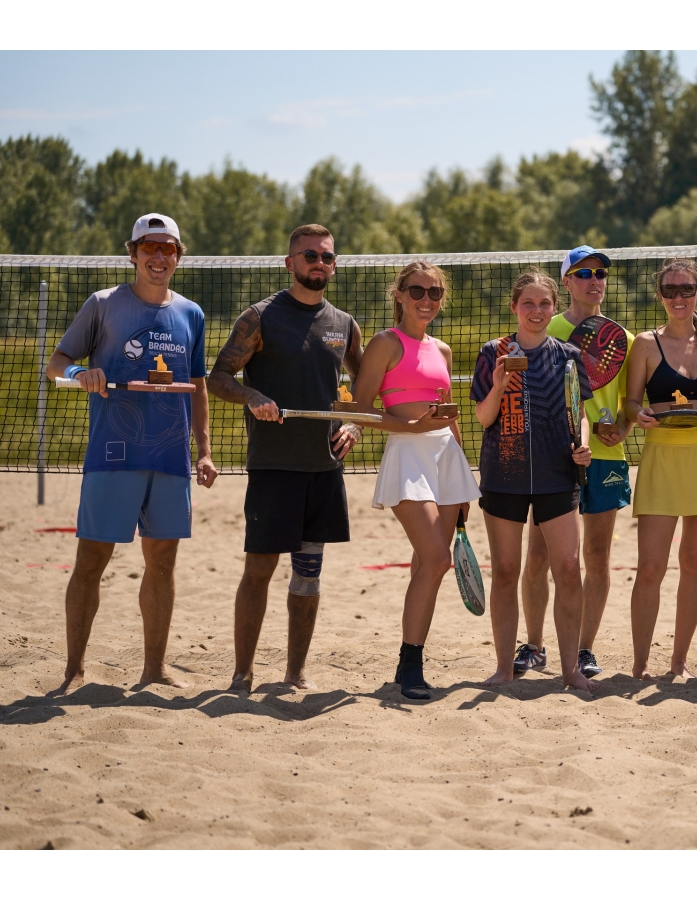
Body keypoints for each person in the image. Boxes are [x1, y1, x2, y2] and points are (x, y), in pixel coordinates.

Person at [45, 213, 217, 695]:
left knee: (162, 563)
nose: (159, 256)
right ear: (133, 253)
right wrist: (79, 373)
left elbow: (198, 387)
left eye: (169, 248)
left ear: (178, 256)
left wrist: (204, 450)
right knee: (91, 561)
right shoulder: (103, 304)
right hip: (113, 453)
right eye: (150, 247)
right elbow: (55, 363)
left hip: (170, 458)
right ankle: (74, 670)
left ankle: (154, 669)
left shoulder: (191, 313)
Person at [207, 224, 363, 693]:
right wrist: (252, 394)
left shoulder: (344, 324)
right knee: (259, 571)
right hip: (274, 467)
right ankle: (242, 674)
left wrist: (355, 424)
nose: (319, 263)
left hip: (324, 469)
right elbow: (218, 376)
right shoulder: (260, 317)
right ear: (289, 262)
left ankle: (295, 674)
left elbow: (367, 386)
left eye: (327, 257)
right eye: (310, 255)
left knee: (308, 576)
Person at [354, 262, 480, 701]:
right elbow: (360, 409)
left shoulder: (442, 350)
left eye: (434, 293)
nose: (426, 300)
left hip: (447, 458)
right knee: (437, 558)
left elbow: (448, 413)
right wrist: (409, 427)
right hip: (407, 454)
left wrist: (463, 478)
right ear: (400, 295)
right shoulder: (385, 343)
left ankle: (410, 664)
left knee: (428, 566)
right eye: (417, 291)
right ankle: (410, 666)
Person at [470, 269, 596, 694]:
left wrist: (584, 443)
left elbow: (580, 412)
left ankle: (570, 670)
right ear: (514, 307)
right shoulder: (494, 352)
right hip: (503, 475)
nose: (536, 311)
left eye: (544, 303)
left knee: (568, 570)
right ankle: (504, 668)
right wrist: (498, 386)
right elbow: (483, 417)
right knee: (506, 571)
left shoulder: (569, 355)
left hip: (557, 474)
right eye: (528, 303)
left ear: (554, 307)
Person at [518, 246, 634, 680]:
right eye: (584, 273)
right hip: (553, 458)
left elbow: (629, 402)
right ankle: (534, 646)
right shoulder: (546, 325)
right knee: (539, 556)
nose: (594, 280)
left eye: (600, 273)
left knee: (597, 557)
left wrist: (622, 428)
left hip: (605, 457)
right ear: (566, 282)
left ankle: (585, 649)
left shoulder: (623, 338)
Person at [625, 258, 697, 680]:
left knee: (694, 562)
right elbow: (631, 401)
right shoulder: (645, 343)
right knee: (650, 568)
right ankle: (640, 665)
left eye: (686, 289)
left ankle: (678, 663)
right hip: (662, 456)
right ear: (660, 295)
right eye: (670, 290)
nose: (678, 297)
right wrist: (638, 414)